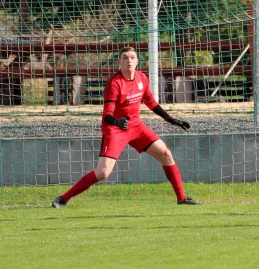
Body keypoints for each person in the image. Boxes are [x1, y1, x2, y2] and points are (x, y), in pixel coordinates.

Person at [51, 47, 197, 208]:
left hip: (136, 127)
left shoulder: (142, 78)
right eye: (125, 57)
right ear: (119, 62)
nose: (129, 60)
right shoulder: (114, 83)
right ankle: (63, 199)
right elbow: (107, 115)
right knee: (103, 173)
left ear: (137, 61)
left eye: (132, 57)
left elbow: (151, 102)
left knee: (166, 154)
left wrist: (170, 119)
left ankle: (182, 199)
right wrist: (118, 122)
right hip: (114, 130)